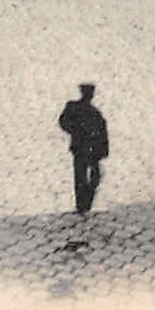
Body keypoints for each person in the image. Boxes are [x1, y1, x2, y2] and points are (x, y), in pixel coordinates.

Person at [57, 83, 109, 215]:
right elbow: (63, 121)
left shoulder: (95, 112)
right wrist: (76, 130)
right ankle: (82, 204)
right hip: (80, 147)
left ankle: (85, 201)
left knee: (93, 176)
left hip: (92, 150)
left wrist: (103, 149)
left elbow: (102, 131)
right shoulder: (74, 107)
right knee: (81, 176)